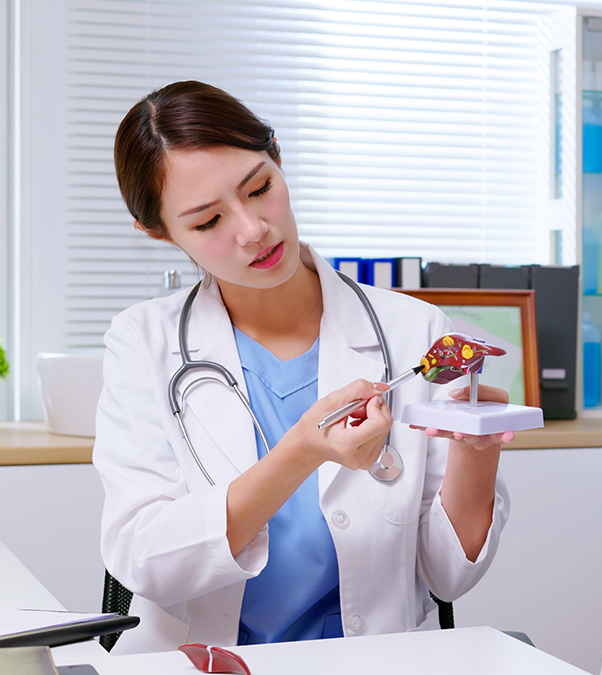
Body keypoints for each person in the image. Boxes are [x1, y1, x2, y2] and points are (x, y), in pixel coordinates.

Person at [94, 80, 510, 654]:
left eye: (260, 188)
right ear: (161, 234)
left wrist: (476, 450)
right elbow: (144, 562)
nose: (252, 229)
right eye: (208, 222)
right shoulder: (143, 342)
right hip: (211, 664)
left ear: (278, 160)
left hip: (371, 661)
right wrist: (302, 453)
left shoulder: (415, 333)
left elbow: (448, 575)